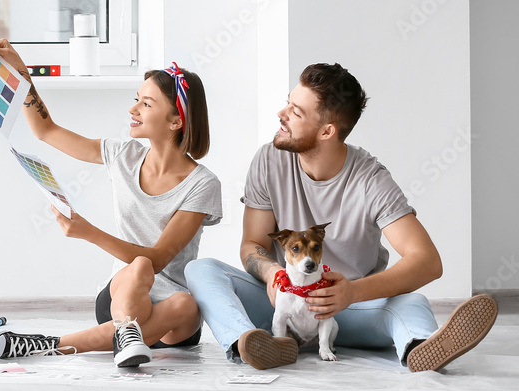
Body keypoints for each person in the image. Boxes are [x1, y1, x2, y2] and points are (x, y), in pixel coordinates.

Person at [184, 63, 498, 372]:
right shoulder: (269, 160)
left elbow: (427, 261)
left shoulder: (371, 179)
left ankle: (419, 346)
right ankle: (249, 344)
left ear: (327, 131)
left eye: (295, 112)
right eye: (287, 103)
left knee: (410, 303)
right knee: (202, 270)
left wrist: (351, 293)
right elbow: (253, 242)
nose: (281, 115)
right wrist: (272, 274)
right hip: (285, 305)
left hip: (352, 309)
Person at [0, 39, 223, 367]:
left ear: (175, 121)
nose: (133, 109)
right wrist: (21, 73)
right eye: (136, 99)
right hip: (120, 294)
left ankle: (57, 344)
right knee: (136, 269)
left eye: (146, 104)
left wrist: (88, 232)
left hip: (173, 317)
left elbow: (159, 259)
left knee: (185, 303)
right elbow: (45, 130)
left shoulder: (202, 184)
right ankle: (124, 334)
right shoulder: (122, 155)